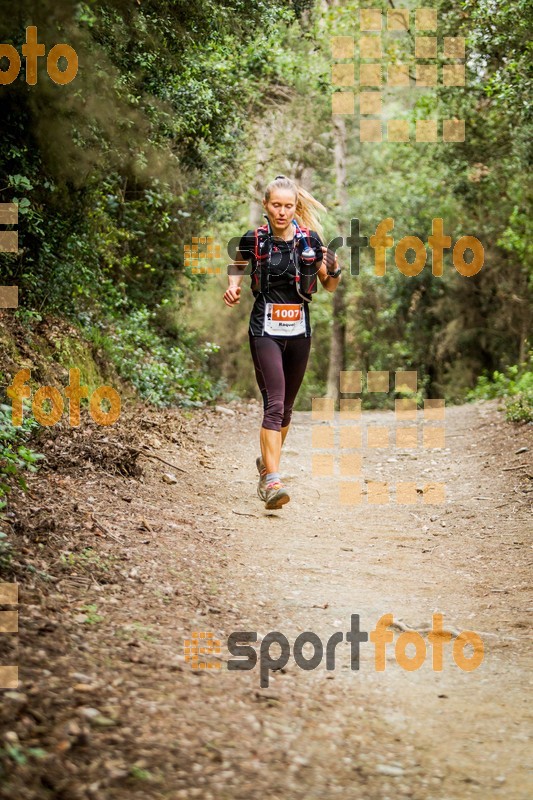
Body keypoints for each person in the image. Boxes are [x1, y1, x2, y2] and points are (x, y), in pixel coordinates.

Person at [223, 175, 341, 510]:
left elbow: (329, 286)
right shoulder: (254, 240)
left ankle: (266, 464)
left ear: (295, 207)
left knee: (287, 410)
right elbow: (237, 263)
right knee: (273, 405)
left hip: (300, 331)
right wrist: (233, 285)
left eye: (288, 206)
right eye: (276, 205)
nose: (282, 211)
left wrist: (335, 270)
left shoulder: (309, 241)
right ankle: (272, 480)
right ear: (266, 205)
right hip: (265, 331)